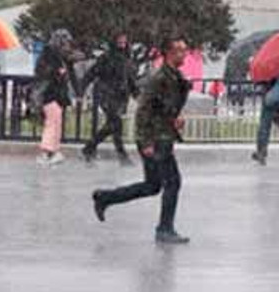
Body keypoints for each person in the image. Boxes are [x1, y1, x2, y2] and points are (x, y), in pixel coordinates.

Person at [92, 37, 193, 244]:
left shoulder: (174, 76)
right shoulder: (158, 78)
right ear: (169, 53)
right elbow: (143, 110)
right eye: (180, 51)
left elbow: (164, 106)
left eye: (185, 50)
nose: (184, 54)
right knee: (173, 182)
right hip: (156, 138)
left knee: (152, 186)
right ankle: (164, 229)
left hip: (162, 134)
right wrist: (145, 142)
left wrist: (175, 118)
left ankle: (105, 197)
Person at [80, 34, 139, 165]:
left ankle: (89, 148)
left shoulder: (127, 59)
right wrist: (81, 91)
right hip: (106, 94)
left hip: (120, 97)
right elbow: (91, 73)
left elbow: (130, 79)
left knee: (114, 126)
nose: (122, 45)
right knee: (115, 123)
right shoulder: (106, 58)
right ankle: (122, 156)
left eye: (124, 42)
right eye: (119, 42)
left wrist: (136, 94)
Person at [34, 29, 77, 166]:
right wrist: (57, 72)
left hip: (57, 94)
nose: (67, 45)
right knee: (52, 121)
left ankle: (53, 150)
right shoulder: (50, 55)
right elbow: (43, 73)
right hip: (49, 93)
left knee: (56, 121)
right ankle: (47, 151)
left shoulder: (60, 56)